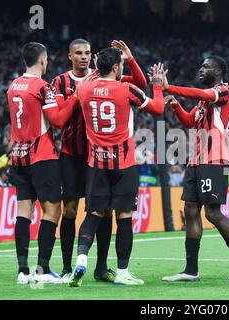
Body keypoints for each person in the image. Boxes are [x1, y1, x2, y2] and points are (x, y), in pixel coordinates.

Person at [52, 39, 147, 282]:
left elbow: (139, 83)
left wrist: (129, 60)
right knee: (72, 210)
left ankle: (101, 267)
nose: (83, 57)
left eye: (87, 53)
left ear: (93, 58)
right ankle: (65, 267)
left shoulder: (98, 80)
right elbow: (60, 119)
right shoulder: (61, 81)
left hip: (95, 157)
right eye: (78, 53)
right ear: (70, 56)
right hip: (74, 155)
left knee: (100, 211)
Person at [69, 48, 165, 287]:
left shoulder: (83, 89)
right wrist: (158, 85)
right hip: (123, 163)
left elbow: (92, 80)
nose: (122, 67)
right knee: (124, 216)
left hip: (96, 163)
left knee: (93, 214)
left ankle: (81, 259)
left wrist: (98, 67)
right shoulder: (127, 89)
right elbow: (158, 109)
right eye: (121, 64)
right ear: (115, 68)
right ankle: (122, 272)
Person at [161, 56, 229, 283]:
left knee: (212, 212)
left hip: (215, 161)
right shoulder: (203, 104)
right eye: (200, 65)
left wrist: (169, 87)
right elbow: (189, 121)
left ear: (219, 71)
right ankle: (191, 270)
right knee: (191, 210)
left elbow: (204, 94)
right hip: (196, 162)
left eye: (206, 66)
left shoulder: (225, 91)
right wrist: (176, 106)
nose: (201, 69)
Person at [7, 42, 79, 284]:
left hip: (17, 156)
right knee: (52, 211)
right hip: (42, 156)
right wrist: (76, 96)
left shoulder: (13, 85)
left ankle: (22, 270)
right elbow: (57, 120)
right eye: (46, 59)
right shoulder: (43, 87)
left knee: (23, 211)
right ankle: (43, 270)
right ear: (42, 60)